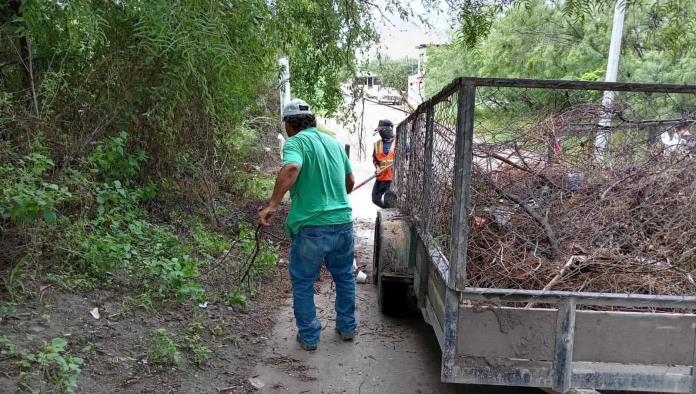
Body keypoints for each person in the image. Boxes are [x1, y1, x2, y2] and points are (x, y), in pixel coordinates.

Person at [258, 99, 357, 351]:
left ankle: (310, 337)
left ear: (290, 124)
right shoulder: (334, 143)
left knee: (303, 282)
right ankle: (347, 327)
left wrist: (272, 204)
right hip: (343, 223)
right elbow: (350, 180)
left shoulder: (295, 142)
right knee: (345, 277)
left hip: (312, 228)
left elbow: (292, 167)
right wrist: (338, 199)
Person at [372, 119, 395, 208]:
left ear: (389, 129)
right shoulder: (377, 144)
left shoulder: (400, 142)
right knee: (375, 199)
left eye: (382, 130)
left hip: (392, 178)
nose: (381, 133)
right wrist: (377, 167)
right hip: (381, 177)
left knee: (388, 201)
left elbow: (408, 157)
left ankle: (388, 211)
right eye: (379, 131)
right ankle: (387, 210)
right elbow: (374, 158)